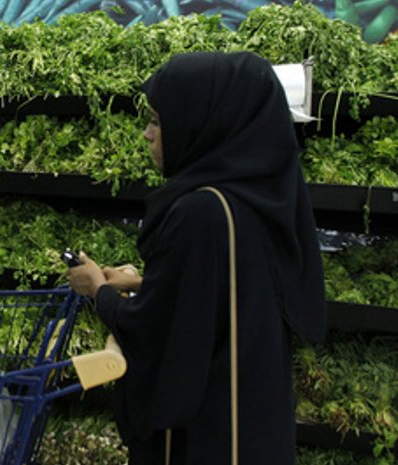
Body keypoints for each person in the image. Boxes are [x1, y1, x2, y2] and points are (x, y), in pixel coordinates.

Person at [67, 51, 327, 465]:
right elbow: (235, 285)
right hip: (256, 422)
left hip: (209, 435)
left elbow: (157, 331)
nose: (147, 134)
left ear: (201, 123)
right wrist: (143, 282)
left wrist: (99, 291)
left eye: (157, 121)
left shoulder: (200, 212)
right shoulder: (260, 197)